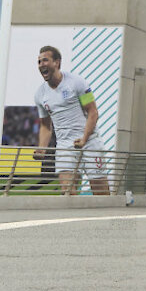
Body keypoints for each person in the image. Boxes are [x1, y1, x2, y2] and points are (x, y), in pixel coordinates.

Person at [34, 46, 110, 196]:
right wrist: (42, 148)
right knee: (67, 191)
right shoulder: (40, 94)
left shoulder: (77, 82)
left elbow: (93, 112)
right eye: (38, 62)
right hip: (64, 145)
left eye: (45, 60)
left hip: (90, 142)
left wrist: (84, 138)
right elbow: (45, 126)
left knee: (101, 192)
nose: (41, 64)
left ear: (57, 63)